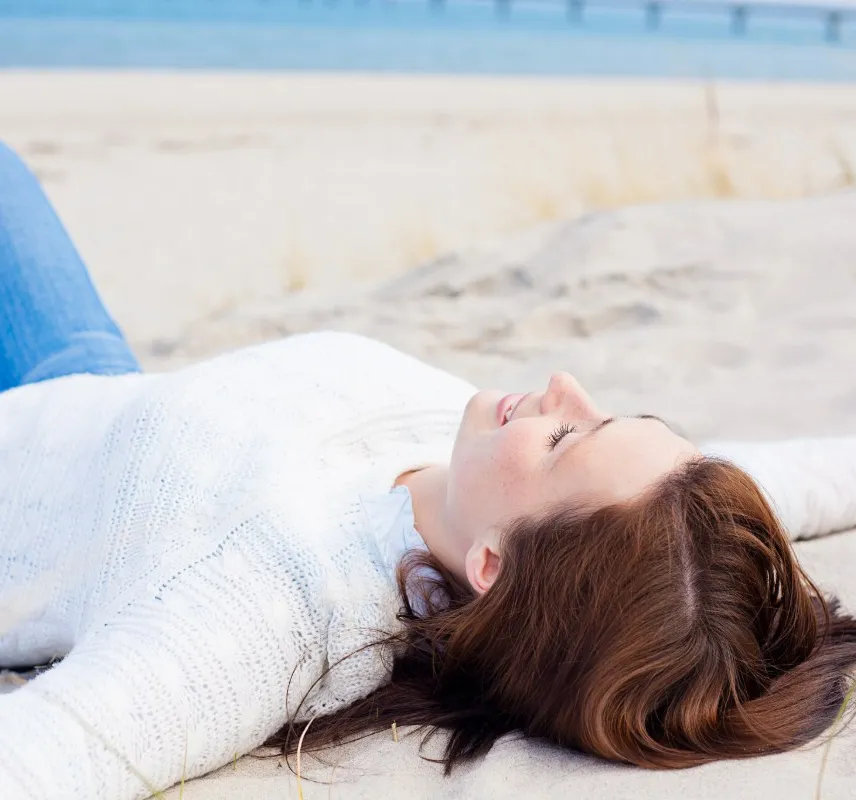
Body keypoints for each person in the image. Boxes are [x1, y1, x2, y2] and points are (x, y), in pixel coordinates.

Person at [0, 141, 855, 800]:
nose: (566, 388)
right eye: (610, 414)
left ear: (493, 565)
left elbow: (53, 755)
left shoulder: (261, 614)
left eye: (565, 440)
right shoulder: (649, 537)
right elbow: (796, 482)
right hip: (89, 379)